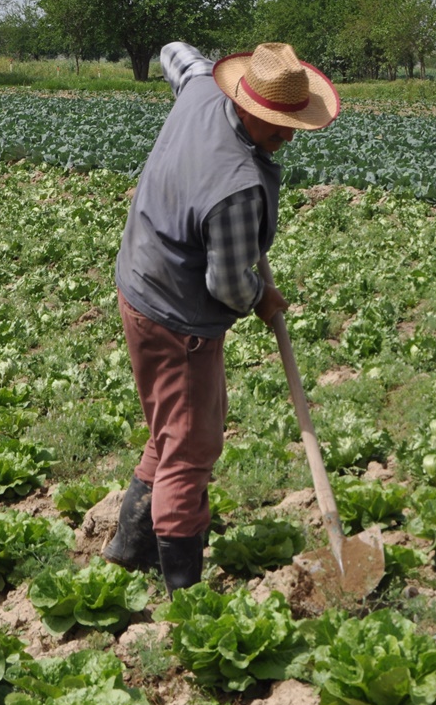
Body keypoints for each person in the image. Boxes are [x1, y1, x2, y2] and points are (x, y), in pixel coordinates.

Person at [106, 41, 340, 593]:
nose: (287, 138)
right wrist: (261, 297)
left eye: (293, 124)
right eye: (278, 126)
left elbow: (173, 52)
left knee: (174, 429)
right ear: (247, 104)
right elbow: (226, 285)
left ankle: (130, 548)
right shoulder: (236, 187)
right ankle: (184, 594)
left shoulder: (199, 86)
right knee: (191, 449)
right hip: (175, 316)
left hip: (139, 278)